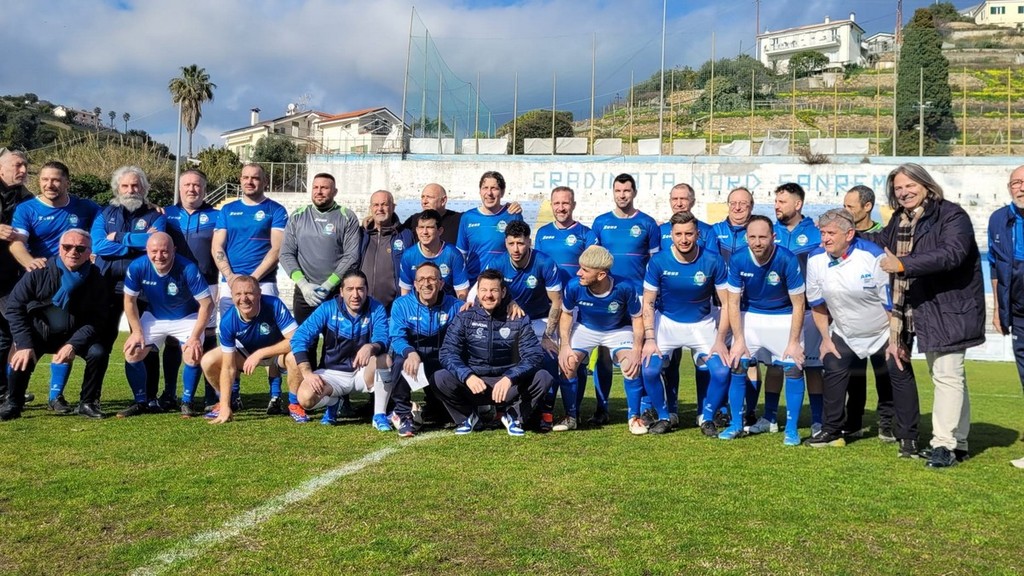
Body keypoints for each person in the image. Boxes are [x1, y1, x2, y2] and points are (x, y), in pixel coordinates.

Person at [872, 163, 985, 468]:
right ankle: (958, 443)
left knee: (948, 375)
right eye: (898, 188)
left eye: (910, 185)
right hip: (920, 308)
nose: (904, 192)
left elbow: (952, 253)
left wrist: (904, 264)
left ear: (926, 185)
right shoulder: (899, 219)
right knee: (949, 376)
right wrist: (847, 235)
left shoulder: (952, 215)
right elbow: (880, 243)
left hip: (948, 307)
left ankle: (943, 445)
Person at [805, 209, 919, 454]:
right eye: (822, 233)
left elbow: (890, 304)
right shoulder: (815, 259)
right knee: (833, 367)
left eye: (831, 233)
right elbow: (817, 305)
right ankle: (831, 430)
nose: (825, 239)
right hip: (845, 331)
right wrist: (825, 339)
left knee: (899, 372)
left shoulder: (873, 256)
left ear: (849, 234)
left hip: (883, 331)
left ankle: (908, 437)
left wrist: (895, 340)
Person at [8, 162, 100, 410]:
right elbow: (17, 243)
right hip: (40, 281)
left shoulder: (85, 207)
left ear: (67, 182)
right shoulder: (27, 209)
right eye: (45, 179)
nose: (50, 184)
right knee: (23, 337)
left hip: (74, 279)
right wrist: (30, 263)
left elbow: (109, 221)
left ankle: (55, 397)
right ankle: (13, 396)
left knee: (66, 332)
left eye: (56, 180)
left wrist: (150, 206)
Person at [557, 246, 669, 435]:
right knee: (568, 364)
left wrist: (636, 349)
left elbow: (637, 318)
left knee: (630, 365)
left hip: (618, 330)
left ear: (601, 275)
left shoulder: (625, 287)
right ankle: (571, 416)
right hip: (586, 328)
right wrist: (565, 346)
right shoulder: (574, 286)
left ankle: (634, 417)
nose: (578, 273)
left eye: (584, 270)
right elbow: (566, 315)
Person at [0, 229, 108, 420]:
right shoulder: (38, 272)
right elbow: (14, 307)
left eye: (80, 248)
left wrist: (73, 344)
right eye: (67, 247)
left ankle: (88, 403)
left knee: (98, 352)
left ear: (89, 253)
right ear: (60, 248)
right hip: (39, 333)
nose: (73, 252)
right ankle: (14, 403)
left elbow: (97, 318)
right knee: (21, 353)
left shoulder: (95, 278)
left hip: (72, 335)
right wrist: (24, 343)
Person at [641, 212, 732, 437]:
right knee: (649, 370)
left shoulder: (713, 260)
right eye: (679, 234)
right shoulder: (658, 261)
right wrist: (650, 338)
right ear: (671, 235)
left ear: (698, 234)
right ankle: (664, 416)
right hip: (666, 323)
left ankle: (707, 418)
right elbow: (648, 302)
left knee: (721, 371)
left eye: (689, 234)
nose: (684, 239)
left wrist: (721, 340)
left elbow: (727, 303)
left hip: (702, 324)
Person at [435, 269, 550, 436]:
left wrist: (510, 377)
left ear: (503, 292)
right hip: (475, 384)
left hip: (507, 385)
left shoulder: (518, 317)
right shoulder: (464, 317)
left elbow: (534, 355)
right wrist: (467, 376)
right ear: (477, 292)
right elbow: (447, 353)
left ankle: (514, 417)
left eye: (494, 290)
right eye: (484, 290)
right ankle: (468, 417)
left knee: (543, 377)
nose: (488, 295)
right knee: (439, 378)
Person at [212, 163, 289, 410]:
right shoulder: (228, 209)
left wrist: (251, 280)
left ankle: (275, 395)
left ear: (264, 181)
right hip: (230, 283)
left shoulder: (275, 210)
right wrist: (231, 277)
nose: (250, 181)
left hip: (263, 282)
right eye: (245, 177)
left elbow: (276, 249)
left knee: (271, 336)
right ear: (240, 180)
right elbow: (217, 247)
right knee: (232, 340)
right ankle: (233, 395)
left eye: (255, 178)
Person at [91, 166, 167, 412]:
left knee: (146, 341)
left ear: (144, 188)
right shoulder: (104, 213)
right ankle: (92, 398)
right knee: (102, 343)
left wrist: (118, 237)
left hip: (144, 287)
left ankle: (149, 398)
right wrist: (136, 242)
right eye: (125, 186)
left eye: (135, 185)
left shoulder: (156, 215)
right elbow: (98, 245)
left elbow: (155, 243)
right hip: (107, 287)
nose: (130, 190)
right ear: (117, 189)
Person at [726, 215, 807, 446]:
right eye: (752, 237)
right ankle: (736, 424)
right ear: (746, 238)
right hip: (750, 316)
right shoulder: (738, 259)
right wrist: (738, 339)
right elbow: (732, 302)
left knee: (793, 369)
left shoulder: (787, 259)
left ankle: (791, 429)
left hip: (783, 317)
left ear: (773, 236)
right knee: (738, 364)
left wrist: (794, 341)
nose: (757, 242)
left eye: (763, 237)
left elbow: (799, 303)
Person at [753, 183, 825, 438]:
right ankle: (770, 416)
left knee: (812, 366)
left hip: (808, 311)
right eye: (776, 201)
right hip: (778, 313)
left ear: (798, 204)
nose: (777, 206)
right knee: (774, 365)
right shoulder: (771, 233)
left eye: (782, 202)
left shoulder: (816, 234)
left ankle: (817, 420)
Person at [116, 233, 214, 418]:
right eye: (154, 251)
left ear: (174, 250)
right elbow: (129, 301)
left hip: (186, 317)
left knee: (192, 353)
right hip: (155, 316)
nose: (159, 256)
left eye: (164, 251)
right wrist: (136, 332)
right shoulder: (137, 266)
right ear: (146, 250)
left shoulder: (188, 268)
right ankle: (141, 402)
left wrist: (195, 337)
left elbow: (207, 304)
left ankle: (187, 402)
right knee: (132, 352)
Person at [589, 173, 660, 426]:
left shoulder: (647, 223)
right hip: (608, 296)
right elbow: (592, 259)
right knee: (603, 352)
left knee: (640, 350)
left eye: (627, 190)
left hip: (638, 296)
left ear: (634, 192)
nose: (622, 195)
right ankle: (602, 407)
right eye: (618, 191)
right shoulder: (601, 222)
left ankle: (644, 408)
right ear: (613, 192)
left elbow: (656, 263)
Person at [482, 220, 563, 431]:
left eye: (520, 243)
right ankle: (501, 408)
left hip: (539, 320)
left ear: (529, 241)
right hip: (509, 321)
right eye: (511, 244)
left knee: (549, 356)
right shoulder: (497, 264)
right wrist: (509, 301)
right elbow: (486, 293)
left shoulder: (545, 263)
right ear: (505, 243)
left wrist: (548, 336)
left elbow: (556, 301)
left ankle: (547, 411)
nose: (516, 249)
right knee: (501, 357)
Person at [280, 172, 362, 373]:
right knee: (305, 343)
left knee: (336, 343)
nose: (319, 191)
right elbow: (286, 253)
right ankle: (307, 386)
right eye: (316, 187)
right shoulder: (298, 216)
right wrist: (303, 284)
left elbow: (351, 256)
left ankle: (334, 388)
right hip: (305, 293)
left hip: (335, 293)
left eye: (324, 188)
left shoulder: (347, 216)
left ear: (334, 191)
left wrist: (329, 284)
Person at [285, 270, 389, 426]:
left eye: (360, 289)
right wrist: (307, 373)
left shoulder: (376, 308)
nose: (355, 295)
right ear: (341, 291)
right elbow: (300, 337)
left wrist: (371, 346)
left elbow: (383, 338)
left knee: (385, 359)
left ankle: (379, 415)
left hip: (362, 372)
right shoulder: (327, 308)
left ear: (367, 290)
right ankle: (334, 402)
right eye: (350, 289)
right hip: (332, 374)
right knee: (305, 399)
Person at [656, 183, 718, 428]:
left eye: (684, 198)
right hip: (667, 310)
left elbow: (709, 265)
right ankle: (670, 411)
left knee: (702, 362)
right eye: (675, 198)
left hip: (699, 310)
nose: (679, 203)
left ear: (692, 201)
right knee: (666, 362)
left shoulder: (708, 231)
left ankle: (704, 412)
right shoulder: (660, 230)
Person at [534, 186, 596, 426]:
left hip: (577, 306)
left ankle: (573, 411)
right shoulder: (543, 233)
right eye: (557, 203)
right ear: (551, 205)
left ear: (573, 205)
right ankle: (548, 409)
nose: (561, 208)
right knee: (550, 357)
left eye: (565, 203)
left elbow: (593, 269)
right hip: (550, 306)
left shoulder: (586, 234)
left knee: (575, 360)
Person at [203, 276, 297, 424]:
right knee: (208, 361)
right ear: (232, 296)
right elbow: (228, 367)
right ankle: (229, 402)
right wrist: (224, 405)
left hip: (277, 354)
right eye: (238, 294)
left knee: (296, 356)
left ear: (259, 294)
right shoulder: (228, 321)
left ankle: (295, 405)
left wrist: (260, 353)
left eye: (249, 293)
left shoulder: (274, 304)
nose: (243, 299)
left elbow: (295, 340)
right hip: (246, 354)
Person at [164, 169, 221, 412]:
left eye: (197, 185)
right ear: (179, 188)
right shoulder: (165, 214)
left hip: (207, 284)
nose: (191, 189)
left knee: (207, 335)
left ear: (204, 189)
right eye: (186, 185)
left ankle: (211, 394)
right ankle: (169, 393)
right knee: (172, 337)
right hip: (174, 285)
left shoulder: (217, 216)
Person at [842, 184, 895, 440]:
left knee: (885, 373)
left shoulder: (884, 236)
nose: (845, 211)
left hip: (881, 318)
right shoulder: (845, 236)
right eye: (844, 206)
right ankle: (853, 420)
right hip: (853, 317)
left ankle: (887, 422)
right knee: (854, 374)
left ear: (867, 207)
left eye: (850, 206)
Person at [388, 262, 463, 436]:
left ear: (441, 283)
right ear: (415, 284)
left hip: (441, 360)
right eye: (421, 279)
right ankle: (403, 413)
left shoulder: (456, 306)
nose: (426, 284)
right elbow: (397, 337)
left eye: (431, 279)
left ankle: (438, 406)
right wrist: (410, 352)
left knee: (443, 416)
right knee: (399, 361)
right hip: (414, 359)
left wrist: (510, 303)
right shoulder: (401, 305)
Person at [989, 165, 1024, 469]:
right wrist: (998, 309)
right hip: (1018, 312)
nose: (1021, 188)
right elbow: (995, 266)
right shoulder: (998, 219)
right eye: (1016, 183)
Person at [0, 149, 34, 406]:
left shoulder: (27, 198)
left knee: (9, 333)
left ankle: (7, 391)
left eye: (25, 166)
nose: (23, 170)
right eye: (17, 165)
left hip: (11, 277)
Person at [456, 171, 524, 283]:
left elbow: (521, 250)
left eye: (494, 188)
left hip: (503, 282)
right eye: (485, 188)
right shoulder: (468, 217)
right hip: (475, 283)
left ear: (502, 192)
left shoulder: (513, 215)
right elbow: (460, 256)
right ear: (480, 191)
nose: (489, 193)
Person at [360, 189, 414, 313]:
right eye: (376, 205)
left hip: (393, 310)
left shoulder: (405, 235)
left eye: (384, 204)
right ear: (371, 208)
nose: (380, 209)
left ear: (393, 207)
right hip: (361, 307)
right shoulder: (360, 234)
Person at [398, 209, 468, 300]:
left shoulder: (453, 254)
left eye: (430, 227)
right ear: (417, 230)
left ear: (440, 231)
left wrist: (458, 308)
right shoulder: (408, 256)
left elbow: (462, 292)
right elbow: (405, 293)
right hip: (418, 307)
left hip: (447, 306)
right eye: (421, 227)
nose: (425, 232)